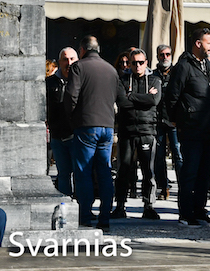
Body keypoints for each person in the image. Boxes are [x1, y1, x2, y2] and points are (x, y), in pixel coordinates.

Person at [164, 27, 210, 226]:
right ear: (198, 43)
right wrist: (177, 120)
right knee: (190, 171)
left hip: (209, 126)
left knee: (205, 173)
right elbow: (172, 96)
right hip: (191, 128)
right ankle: (186, 213)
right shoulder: (184, 66)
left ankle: (200, 210)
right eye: (208, 43)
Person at [65, 35, 119, 229]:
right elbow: (118, 97)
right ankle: (105, 218)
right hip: (107, 125)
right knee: (104, 172)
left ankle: (85, 217)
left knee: (84, 172)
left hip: (87, 124)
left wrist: (72, 118)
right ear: (98, 49)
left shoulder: (78, 67)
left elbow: (71, 95)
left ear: (82, 50)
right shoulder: (111, 69)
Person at [114, 48, 162, 220]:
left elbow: (154, 100)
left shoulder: (154, 80)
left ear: (146, 63)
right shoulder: (122, 80)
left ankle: (149, 205)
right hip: (127, 131)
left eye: (141, 62)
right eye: (134, 63)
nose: (137, 66)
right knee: (123, 170)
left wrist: (132, 96)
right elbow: (122, 101)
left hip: (147, 130)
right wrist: (143, 98)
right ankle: (120, 205)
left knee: (148, 171)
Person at [46, 46, 77, 197]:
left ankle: (81, 204)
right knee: (63, 173)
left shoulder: (81, 81)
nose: (69, 63)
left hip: (77, 134)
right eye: (65, 59)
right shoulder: (49, 83)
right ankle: (66, 203)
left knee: (80, 173)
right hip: (57, 135)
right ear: (60, 62)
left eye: (72, 59)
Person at [153, 44, 181, 202]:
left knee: (178, 155)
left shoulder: (177, 73)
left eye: (167, 54)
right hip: (158, 120)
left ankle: (183, 187)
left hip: (175, 120)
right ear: (157, 56)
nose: (165, 57)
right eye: (162, 55)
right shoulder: (153, 75)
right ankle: (163, 187)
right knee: (159, 156)